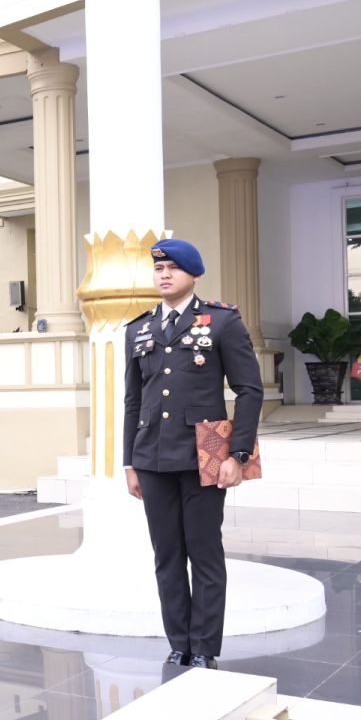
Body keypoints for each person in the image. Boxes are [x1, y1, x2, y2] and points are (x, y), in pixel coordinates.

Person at [123, 238, 263, 671]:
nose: (164, 275)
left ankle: (204, 648)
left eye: (173, 268)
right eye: (159, 269)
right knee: (166, 556)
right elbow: (132, 401)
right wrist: (129, 461)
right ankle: (178, 643)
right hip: (152, 459)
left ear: (194, 274)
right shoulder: (139, 328)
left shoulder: (221, 322)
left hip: (206, 456)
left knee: (203, 553)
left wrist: (237, 454)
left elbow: (249, 390)